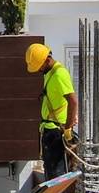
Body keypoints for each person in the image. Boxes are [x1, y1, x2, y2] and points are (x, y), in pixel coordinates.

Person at [26, 42, 76, 180]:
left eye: (39, 66)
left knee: (56, 177)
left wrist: (68, 128)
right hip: (49, 130)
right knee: (52, 176)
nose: (38, 70)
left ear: (47, 60)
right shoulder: (49, 73)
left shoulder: (59, 74)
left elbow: (73, 101)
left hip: (55, 133)